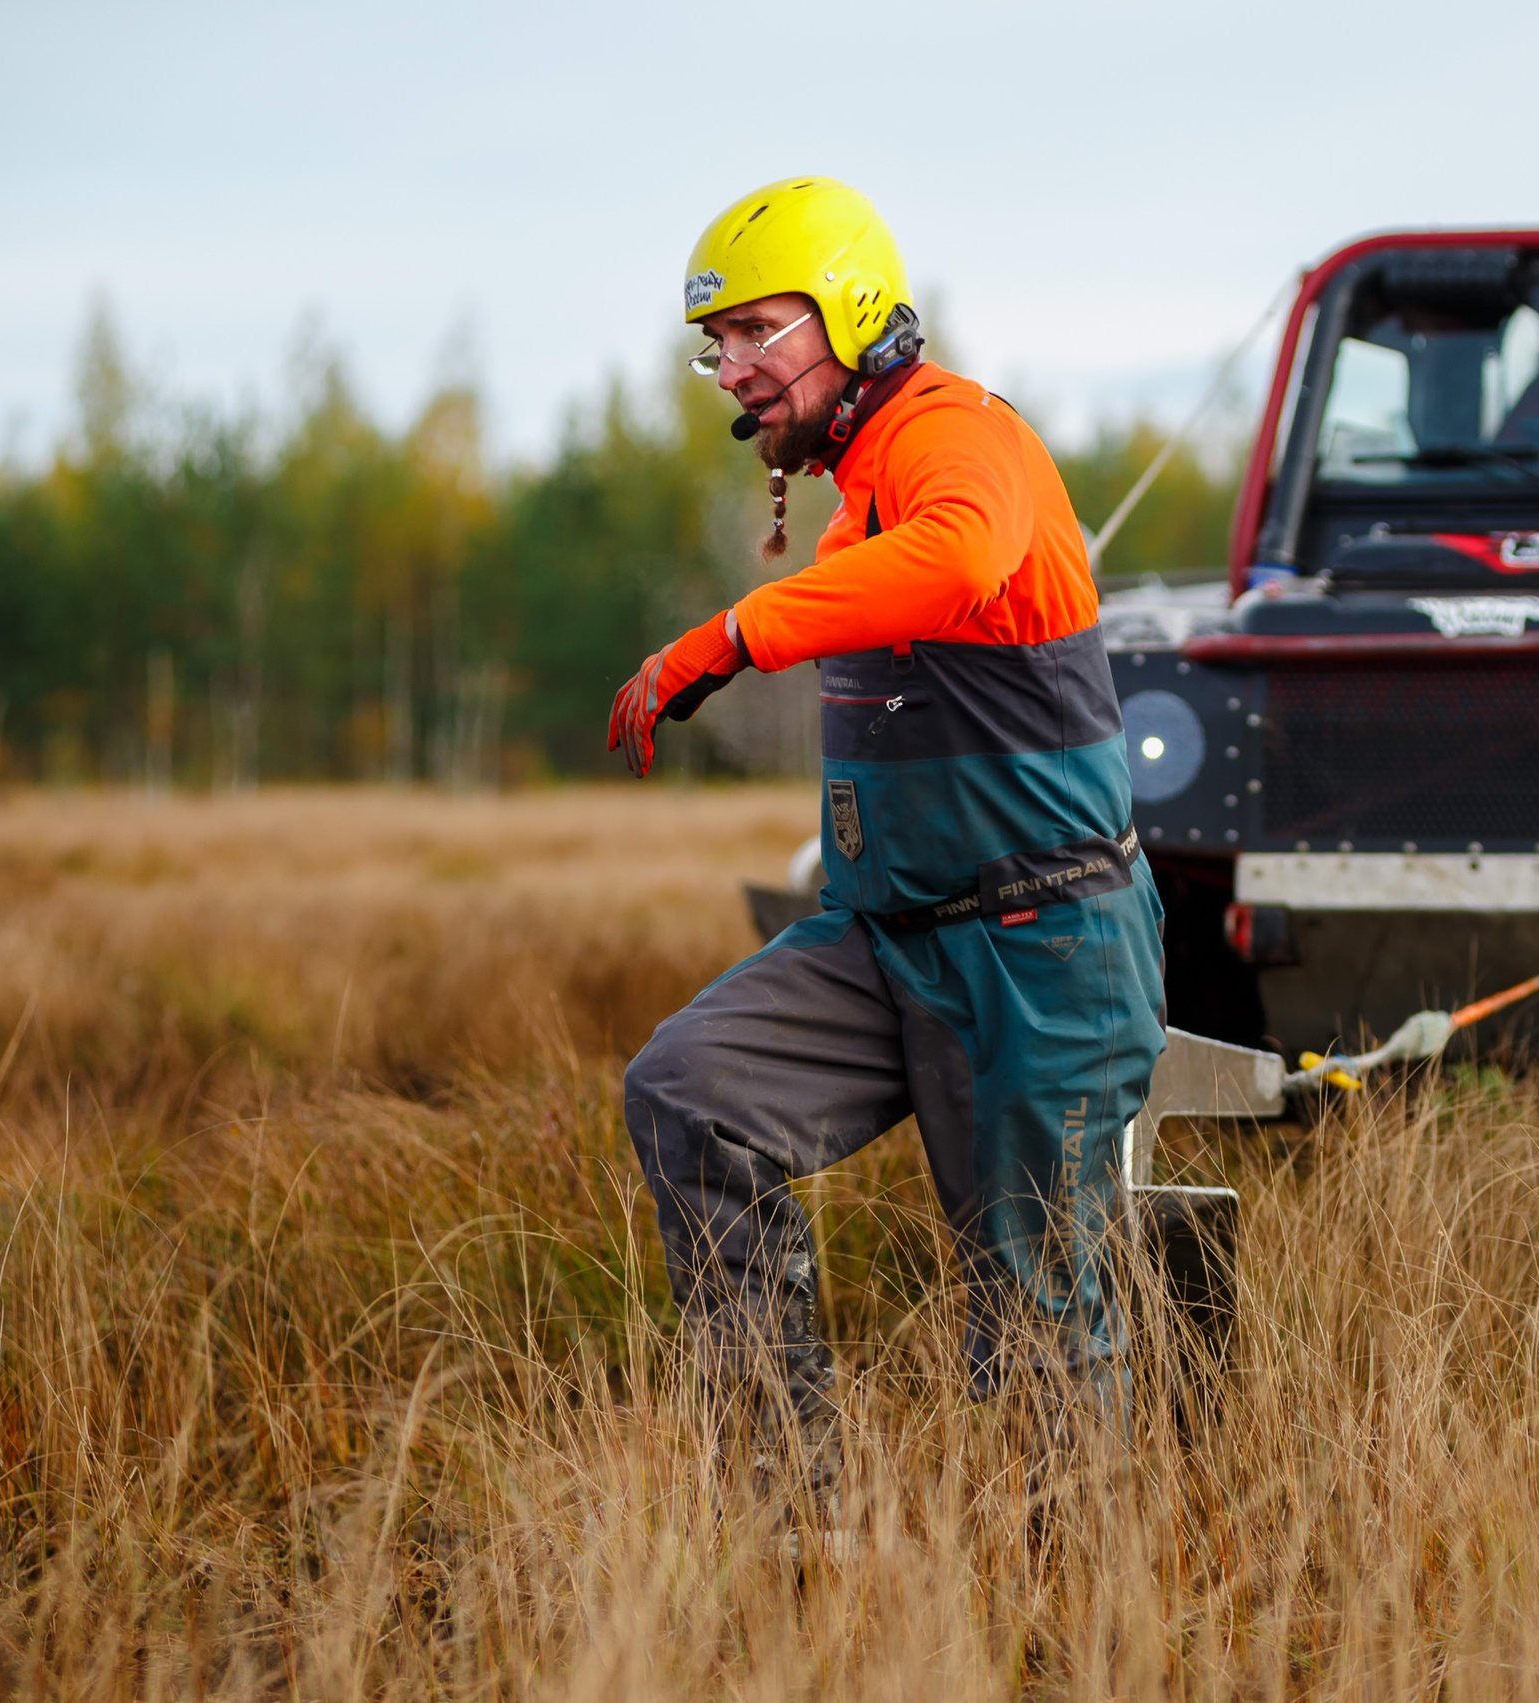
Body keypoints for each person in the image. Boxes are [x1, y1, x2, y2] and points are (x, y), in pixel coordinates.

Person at [609, 178, 1165, 1494]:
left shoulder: (958, 438)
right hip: (881, 946)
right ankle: (795, 1505)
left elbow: (966, 555)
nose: (733, 368)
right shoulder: (856, 488)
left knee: (1035, 1325)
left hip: (1042, 947)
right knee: (689, 1089)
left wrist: (736, 632)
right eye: (717, 345)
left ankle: (1081, 1618)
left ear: (854, 310)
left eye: (758, 330)